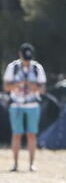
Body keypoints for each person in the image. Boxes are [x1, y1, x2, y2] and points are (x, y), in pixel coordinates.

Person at [3, 43, 47, 171]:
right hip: (16, 105)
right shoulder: (12, 67)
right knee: (16, 134)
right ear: (19, 55)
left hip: (32, 105)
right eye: (24, 58)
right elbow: (6, 87)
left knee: (31, 134)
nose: (27, 62)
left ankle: (31, 164)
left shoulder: (37, 68)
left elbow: (43, 89)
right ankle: (15, 164)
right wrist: (19, 84)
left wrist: (32, 86)